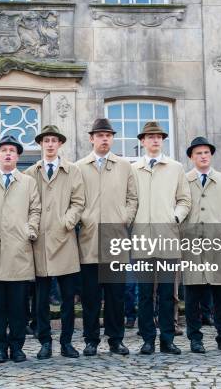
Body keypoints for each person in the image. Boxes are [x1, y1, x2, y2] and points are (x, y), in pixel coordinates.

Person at [76, 118, 138, 356]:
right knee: (91, 297)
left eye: (108, 135)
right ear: (91, 138)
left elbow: (133, 198)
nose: (104, 139)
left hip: (115, 240)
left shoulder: (124, 166)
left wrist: (125, 217)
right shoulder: (80, 167)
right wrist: (85, 219)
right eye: (100, 135)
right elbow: (74, 199)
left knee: (115, 297)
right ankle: (91, 339)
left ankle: (115, 339)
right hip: (89, 241)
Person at [24, 125, 85, 359]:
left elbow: (79, 202)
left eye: (54, 140)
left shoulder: (72, 171)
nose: (50, 144)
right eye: (46, 140)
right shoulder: (31, 172)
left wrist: (66, 222)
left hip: (65, 242)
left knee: (68, 299)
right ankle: (45, 342)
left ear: (60, 144)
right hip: (39, 242)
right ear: (41, 144)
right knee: (41, 299)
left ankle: (67, 342)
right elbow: (27, 204)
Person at [0, 135, 41, 363]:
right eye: (3, 150)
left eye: (12, 151)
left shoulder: (27, 182)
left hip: (18, 250)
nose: (7, 154)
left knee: (17, 307)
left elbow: (36, 209)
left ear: (17, 156)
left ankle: (17, 347)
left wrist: (29, 229)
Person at [131, 121, 191, 355]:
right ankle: (147, 339)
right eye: (150, 137)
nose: (155, 140)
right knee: (145, 293)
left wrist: (175, 217)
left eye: (158, 137)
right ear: (143, 141)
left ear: (162, 140)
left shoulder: (176, 168)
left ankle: (167, 339)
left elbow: (185, 200)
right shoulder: (133, 170)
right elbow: (130, 200)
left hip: (168, 237)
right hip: (142, 238)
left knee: (167, 293)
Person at [182, 137, 221, 353]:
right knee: (193, 296)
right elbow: (176, 208)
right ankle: (195, 338)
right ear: (191, 157)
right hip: (192, 245)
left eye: (206, 152)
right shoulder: (183, 180)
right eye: (198, 153)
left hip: (219, 244)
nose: (203, 156)